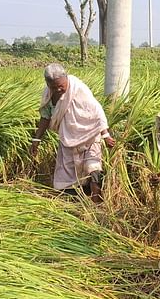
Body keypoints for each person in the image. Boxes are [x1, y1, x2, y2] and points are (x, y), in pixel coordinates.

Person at [30, 63, 115, 202]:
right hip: (68, 138)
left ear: (66, 78)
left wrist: (105, 135)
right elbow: (45, 117)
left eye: (61, 86)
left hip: (89, 135)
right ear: (47, 83)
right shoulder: (48, 94)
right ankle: (71, 204)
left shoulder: (79, 89)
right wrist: (36, 139)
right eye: (53, 87)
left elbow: (96, 112)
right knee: (67, 174)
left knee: (94, 167)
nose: (58, 89)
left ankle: (97, 203)